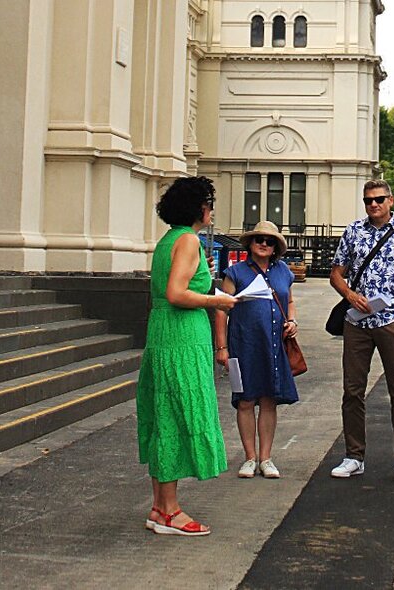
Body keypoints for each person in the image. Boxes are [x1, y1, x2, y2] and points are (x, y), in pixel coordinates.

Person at [136, 176, 238, 537]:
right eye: (209, 204)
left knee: (164, 413)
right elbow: (178, 293)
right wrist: (218, 300)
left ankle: (160, 508)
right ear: (199, 207)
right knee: (179, 414)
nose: (211, 210)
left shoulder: (169, 240)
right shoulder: (188, 240)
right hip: (182, 334)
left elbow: (172, 287)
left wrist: (202, 276)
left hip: (163, 331)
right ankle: (171, 511)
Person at [328, 179, 394, 481]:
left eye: (379, 199)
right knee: (352, 390)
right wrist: (350, 295)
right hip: (357, 323)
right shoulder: (354, 232)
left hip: (392, 322)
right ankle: (353, 455)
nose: (373, 205)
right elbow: (336, 273)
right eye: (368, 200)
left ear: (390, 201)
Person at [214, 220, 299, 479]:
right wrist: (222, 347)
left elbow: (290, 299)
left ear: (276, 248)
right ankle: (250, 457)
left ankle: (266, 458)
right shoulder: (236, 273)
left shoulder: (283, 271)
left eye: (269, 241)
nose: (264, 244)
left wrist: (293, 321)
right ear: (250, 244)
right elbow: (221, 309)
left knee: (269, 400)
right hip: (244, 344)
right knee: (245, 400)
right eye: (259, 239)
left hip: (273, 345)